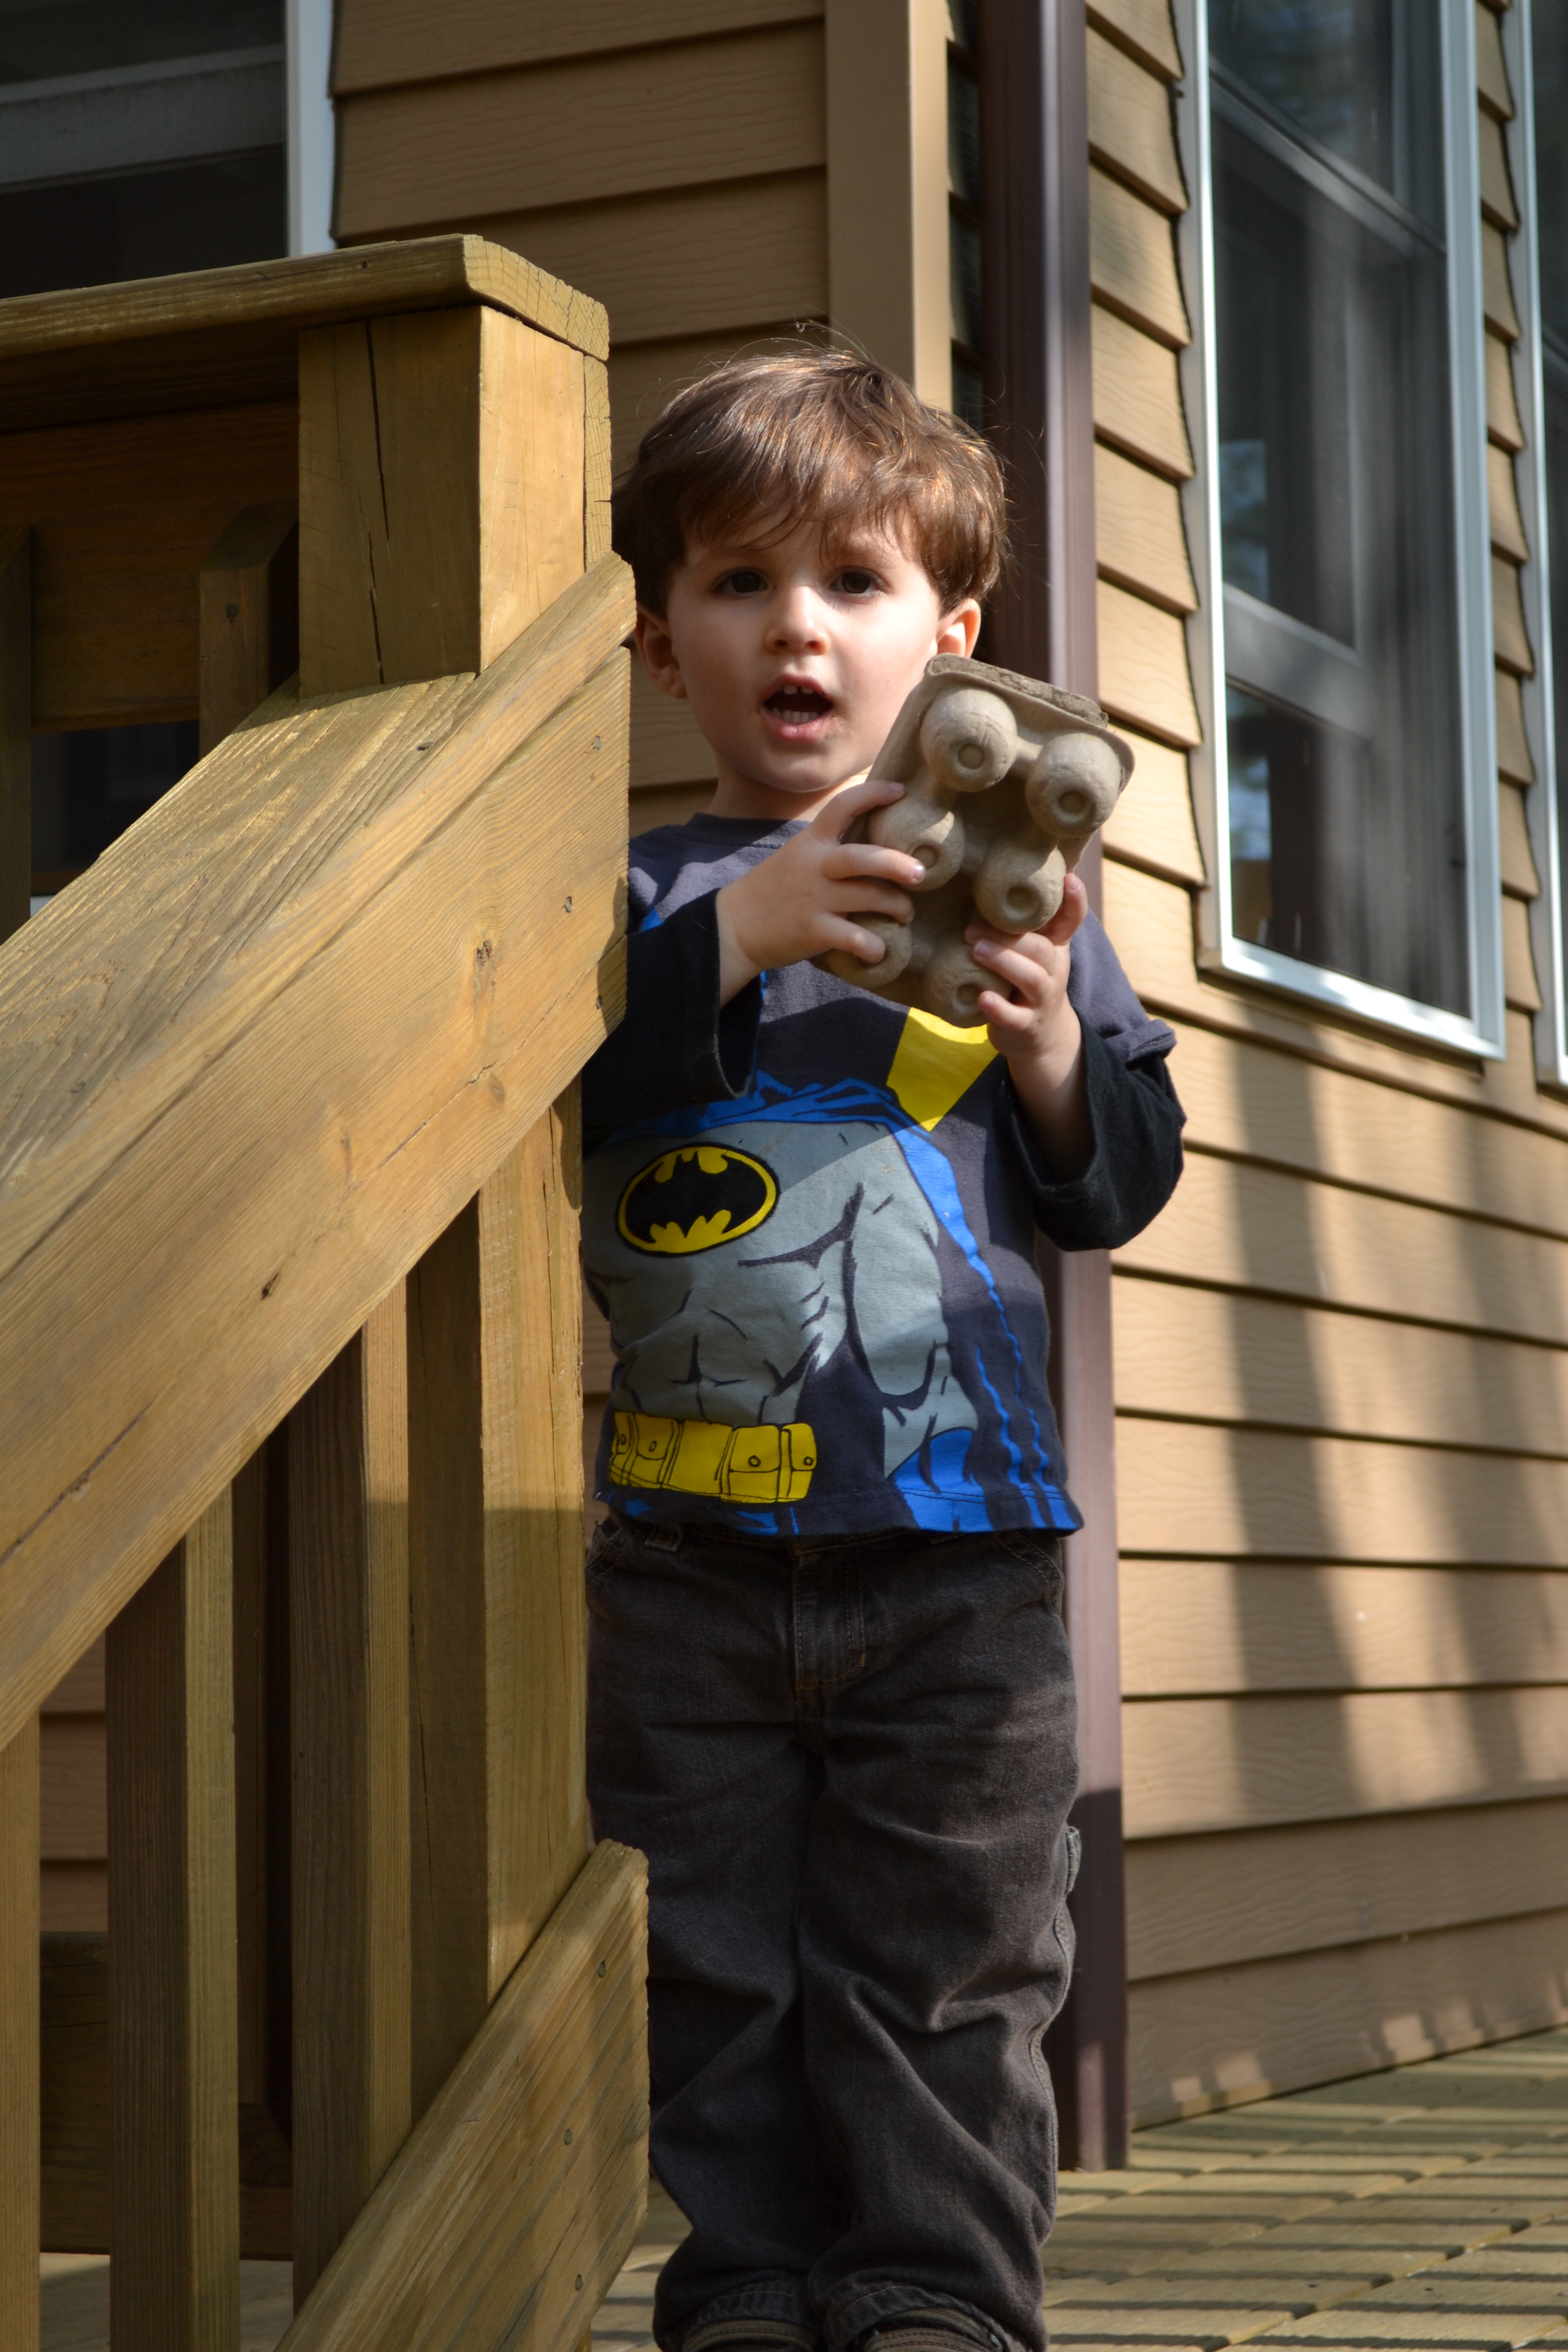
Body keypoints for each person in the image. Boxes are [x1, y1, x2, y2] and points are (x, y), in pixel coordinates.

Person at [580, 352, 1182, 2352]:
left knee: (950, 1967)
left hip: (962, 1562)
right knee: (713, 1966)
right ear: (660, 641)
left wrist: (1053, 1049)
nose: (798, 628)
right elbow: (572, 1100)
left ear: (954, 641)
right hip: (687, 1564)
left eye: (853, 581)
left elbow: (1117, 1186)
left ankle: (936, 2305)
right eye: (739, 582)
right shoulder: (638, 902)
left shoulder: (1015, 889)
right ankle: (751, 2297)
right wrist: (735, 939)